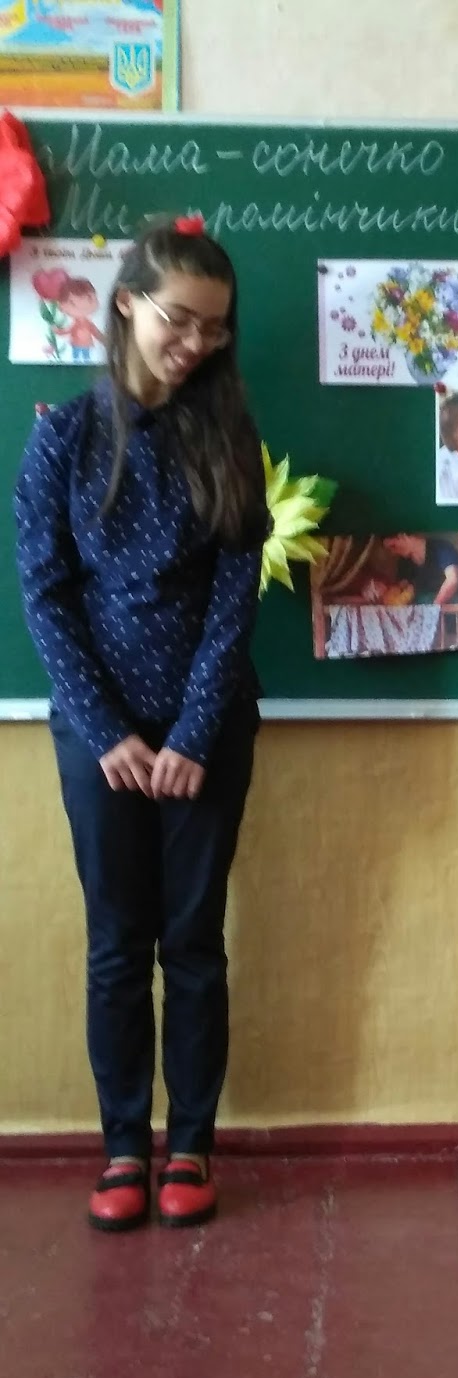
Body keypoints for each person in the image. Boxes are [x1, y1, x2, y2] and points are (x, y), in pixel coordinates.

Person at [14, 218, 269, 1233]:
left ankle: (191, 1144)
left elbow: (235, 600)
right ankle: (124, 1145)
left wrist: (195, 734)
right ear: (127, 303)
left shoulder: (230, 437)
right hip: (99, 738)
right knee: (117, 945)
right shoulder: (63, 438)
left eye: (214, 327)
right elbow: (45, 593)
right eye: (180, 319)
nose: (195, 343)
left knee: (193, 943)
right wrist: (106, 730)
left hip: (209, 732)